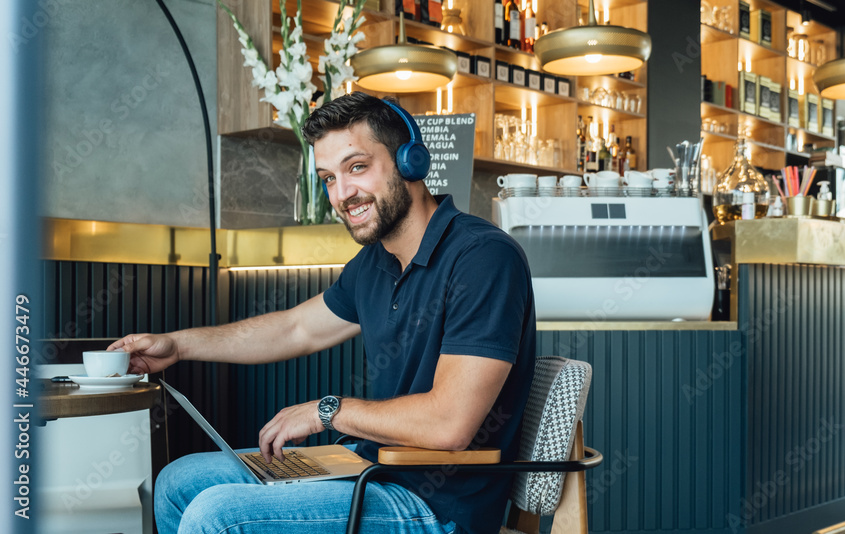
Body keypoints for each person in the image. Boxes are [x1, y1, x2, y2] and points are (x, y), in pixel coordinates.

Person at [109, 91, 536, 534]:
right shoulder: (376, 261)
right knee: (178, 482)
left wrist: (326, 411)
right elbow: (297, 328)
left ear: (410, 162)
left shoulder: (483, 257)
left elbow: (449, 425)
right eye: (328, 178)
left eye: (357, 167)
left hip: (436, 506)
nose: (343, 194)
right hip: (371, 470)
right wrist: (178, 346)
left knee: (216, 515)